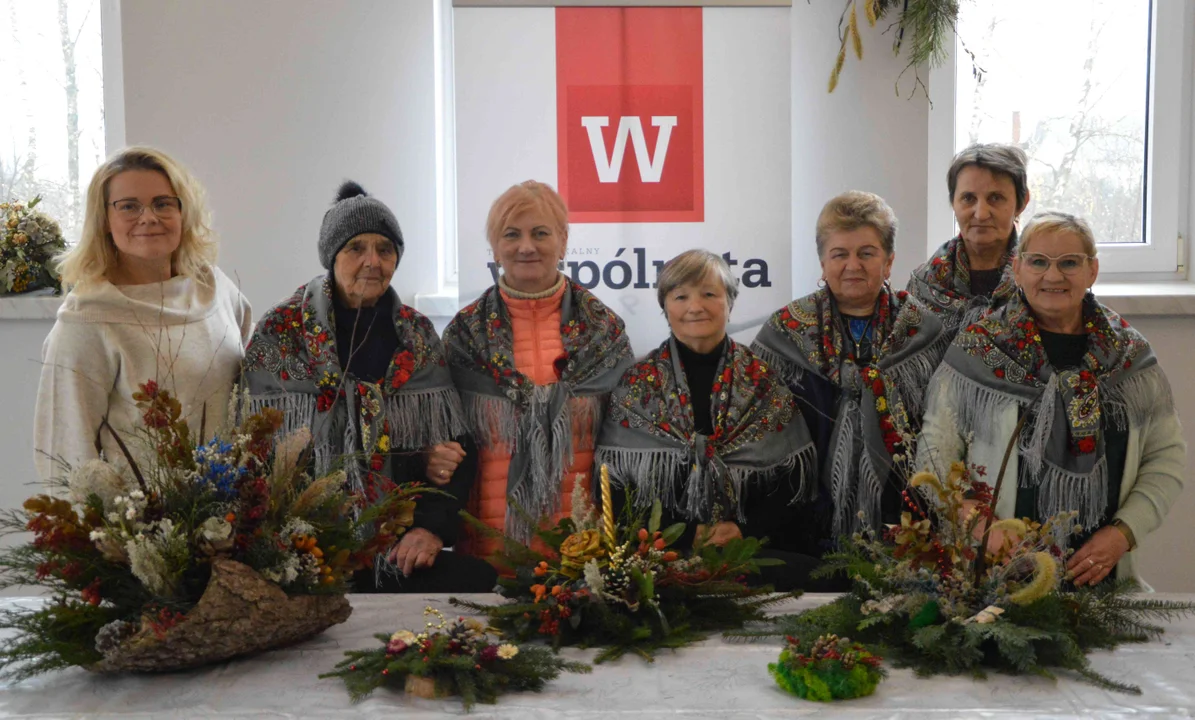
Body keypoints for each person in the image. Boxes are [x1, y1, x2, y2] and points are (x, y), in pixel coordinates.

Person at [243, 181, 495, 593]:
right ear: (331, 257)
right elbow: (254, 455)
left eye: (385, 248)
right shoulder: (279, 333)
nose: (372, 261)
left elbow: (455, 452)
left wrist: (430, 530)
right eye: (356, 248)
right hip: (304, 547)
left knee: (479, 580)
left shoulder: (416, 335)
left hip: (392, 545)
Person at [917, 211, 1185, 586]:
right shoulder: (975, 351)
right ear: (1017, 269)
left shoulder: (1131, 357)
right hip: (997, 583)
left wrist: (1123, 534)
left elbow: (1166, 457)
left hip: (1104, 584)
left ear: (1092, 270)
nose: (1053, 276)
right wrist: (980, 527)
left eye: (1069, 263)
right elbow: (933, 455)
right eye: (1039, 262)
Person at [596, 250, 824, 591]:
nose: (695, 307)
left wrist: (744, 532)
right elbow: (615, 488)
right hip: (661, 557)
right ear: (665, 307)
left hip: (750, 553)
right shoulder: (634, 388)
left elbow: (793, 482)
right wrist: (687, 533)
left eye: (709, 294)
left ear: (729, 302)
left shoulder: (763, 382)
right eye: (680, 296)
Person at [35, 146, 252, 480]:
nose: (148, 217)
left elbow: (252, 384)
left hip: (237, 506)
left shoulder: (214, 288)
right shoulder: (87, 320)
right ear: (105, 220)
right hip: (145, 521)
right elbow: (64, 452)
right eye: (129, 206)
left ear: (184, 212)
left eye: (163, 203)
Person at [443, 180, 633, 560]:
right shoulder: (462, 337)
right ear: (495, 247)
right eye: (511, 235)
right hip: (489, 546)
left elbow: (628, 443)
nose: (526, 246)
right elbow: (443, 438)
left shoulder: (605, 332)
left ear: (563, 241)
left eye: (540, 233)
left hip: (584, 548)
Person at [753, 192, 947, 550]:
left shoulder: (924, 332)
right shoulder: (783, 333)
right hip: (802, 521)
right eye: (839, 254)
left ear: (889, 263)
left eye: (867, 253)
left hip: (903, 520)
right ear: (823, 263)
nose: (852, 265)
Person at [908, 143, 1031, 335]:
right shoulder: (923, 284)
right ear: (953, 202)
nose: (981, 214)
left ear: (1022, 203)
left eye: (996, 198)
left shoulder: (1044, 277)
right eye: (968, 198)